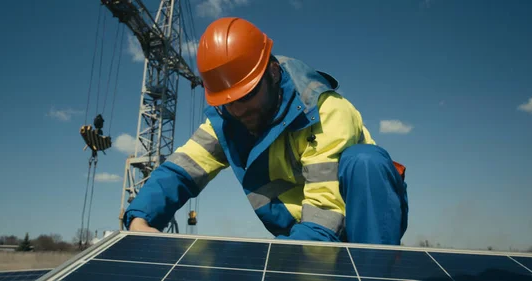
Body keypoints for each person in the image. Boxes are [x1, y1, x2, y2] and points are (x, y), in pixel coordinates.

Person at [124, 17, 409, 245]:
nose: (238, 110)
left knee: (364, 160)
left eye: (246, 96)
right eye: (227, 102)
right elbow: (181, 170)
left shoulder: (326, 112)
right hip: (299, 234)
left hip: (358, 222)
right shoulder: (228, 121)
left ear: (273, 73)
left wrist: (288, 263)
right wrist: (140, 218)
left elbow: (327, 211)